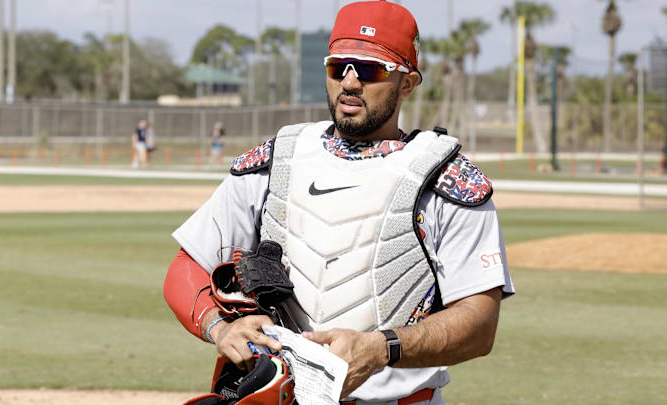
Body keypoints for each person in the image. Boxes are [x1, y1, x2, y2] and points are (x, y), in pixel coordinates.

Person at [164, 1, 515, 404]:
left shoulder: (449, 178)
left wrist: (382, 348)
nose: (350, 82)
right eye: (338, 67)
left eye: (369, 70)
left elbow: (480, 324)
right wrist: (220, 328)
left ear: (407, 83)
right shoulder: (279, 158)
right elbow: (186, 267)